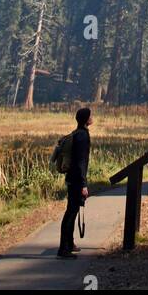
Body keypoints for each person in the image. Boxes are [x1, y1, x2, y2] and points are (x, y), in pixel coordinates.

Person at [58, 105, 91, 257]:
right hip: (77, 180)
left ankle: (69, 244)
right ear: (86, 119)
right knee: (71, 213)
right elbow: (81, 162)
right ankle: (64, 249)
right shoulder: (83, 136)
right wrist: (84, 185)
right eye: (90, 115)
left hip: (71, 178)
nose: (92, 117)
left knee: (72, 211)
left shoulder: (76, 133)